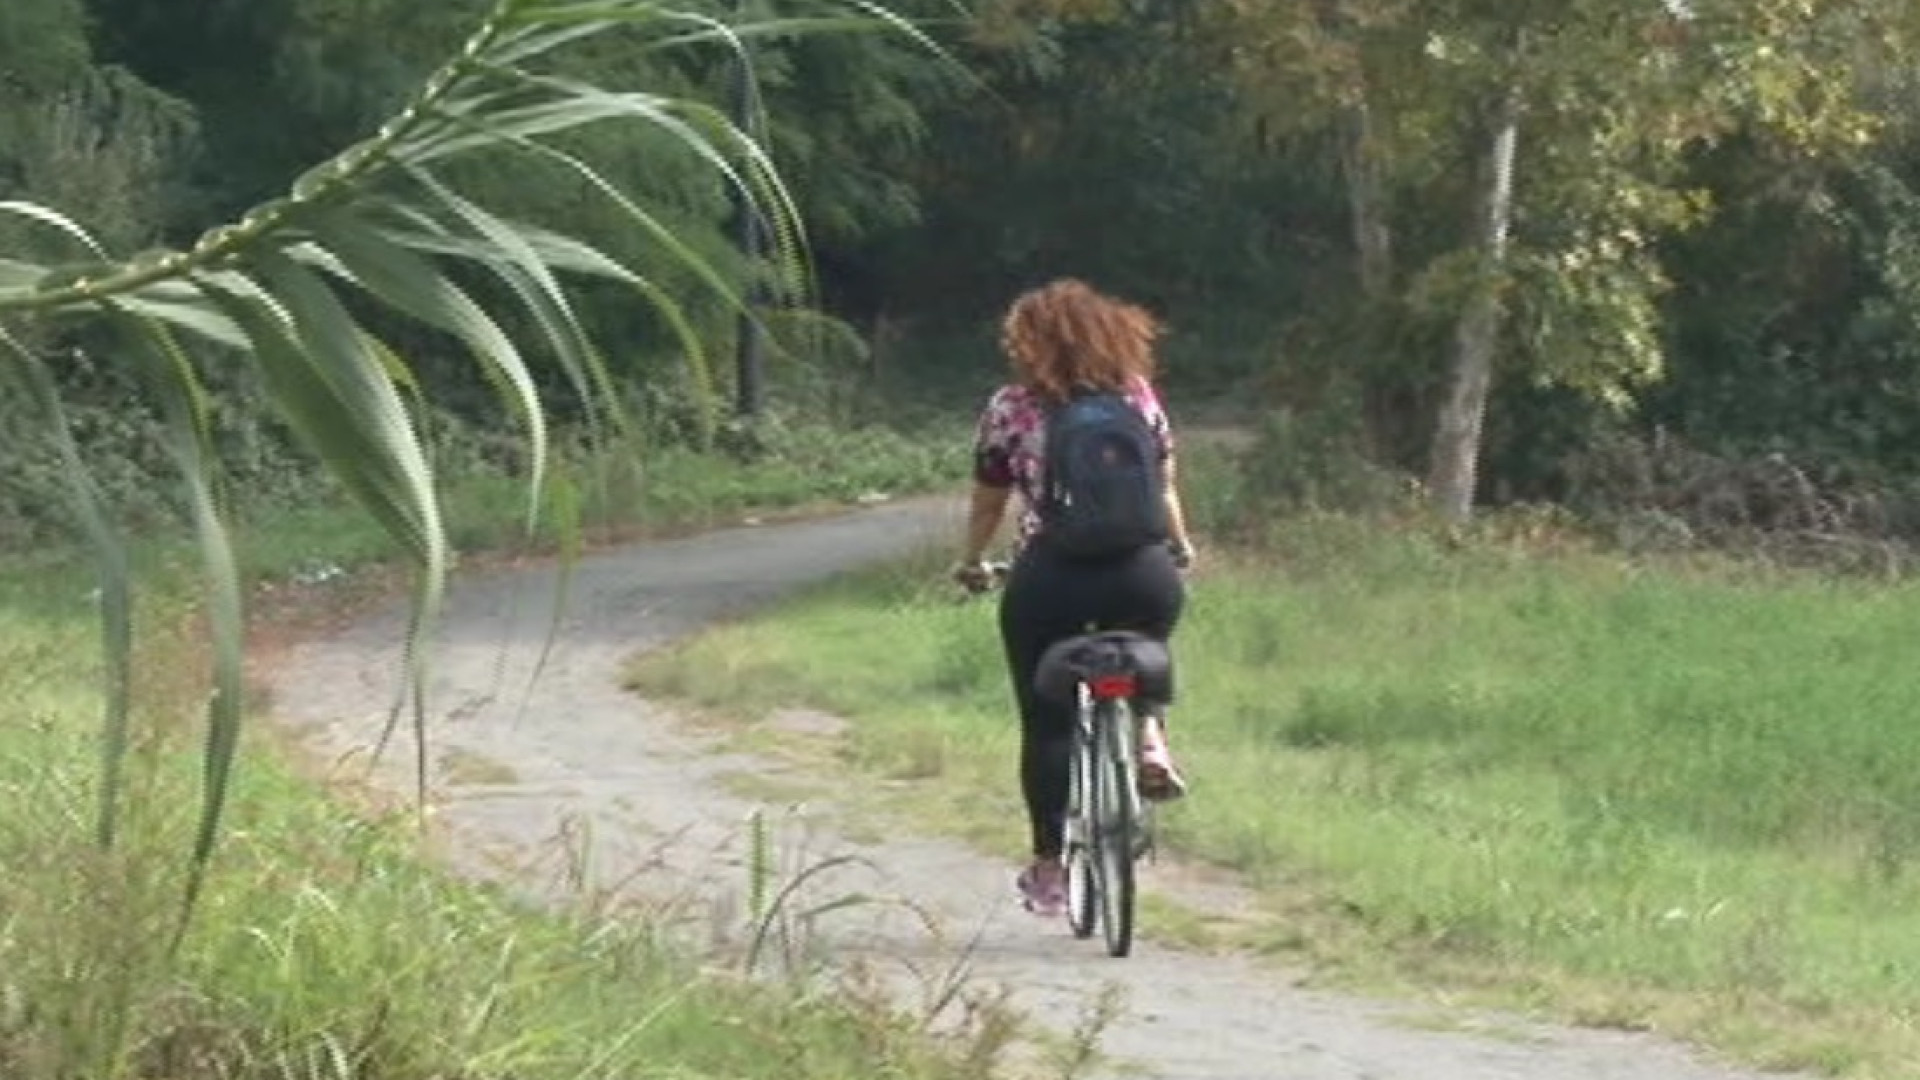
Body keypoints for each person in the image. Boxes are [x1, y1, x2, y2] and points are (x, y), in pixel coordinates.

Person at [953, 277, 1197, 918]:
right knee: (1145, 648)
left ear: (1031, 345)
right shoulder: (1137, 398)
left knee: (1046, 721)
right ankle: (1148, 735)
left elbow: (988, 499)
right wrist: (1181, 548)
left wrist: (973, 560)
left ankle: (1049, 867)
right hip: (1140, 570)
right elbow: (1165, 485)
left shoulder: (1011, 407)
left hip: (1051, 575)